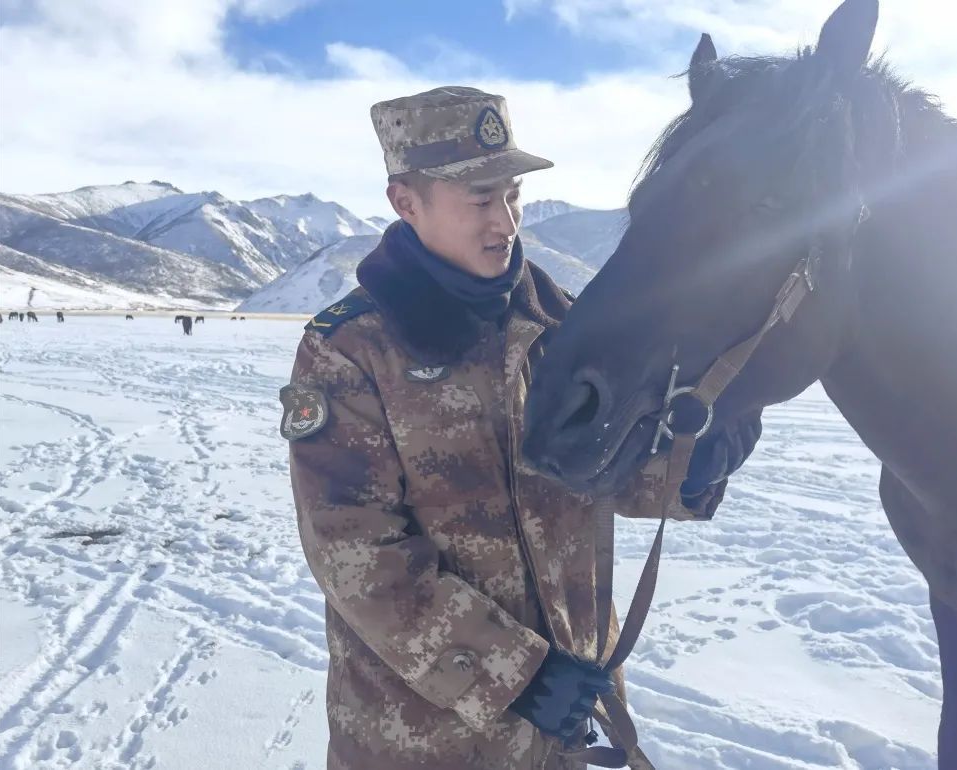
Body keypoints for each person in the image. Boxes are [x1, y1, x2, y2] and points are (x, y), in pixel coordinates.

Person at [282, 86, 762, 770]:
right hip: (422, 739)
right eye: (479, 201)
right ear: (405, 202)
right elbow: (354, 551)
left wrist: (694, 466)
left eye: (511, 195)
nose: (504, 222)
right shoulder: (351, 349)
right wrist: (513, 675)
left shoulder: (563, 322)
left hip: (572, 721)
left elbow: (602, 466)